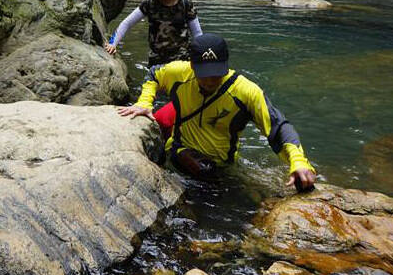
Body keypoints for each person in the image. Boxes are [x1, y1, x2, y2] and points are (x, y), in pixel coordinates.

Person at [118, 33, 316, 191]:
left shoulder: (246, 91)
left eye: (217, 73)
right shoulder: (178, 73)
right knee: (203, 171)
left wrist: (298, 162)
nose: (211, 80)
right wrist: (144, 102)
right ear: (192, 65)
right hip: (182, 151)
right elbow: (153, 75)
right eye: (205, 74)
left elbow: (278, 126)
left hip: (224, 163)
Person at [105, 0, 203, 67]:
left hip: (182, 62)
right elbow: (127, 23)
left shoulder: (186, 4)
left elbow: (197, 33)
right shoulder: (150, 4)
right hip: (157, 61)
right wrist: (113, 43)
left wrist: (201, 53)